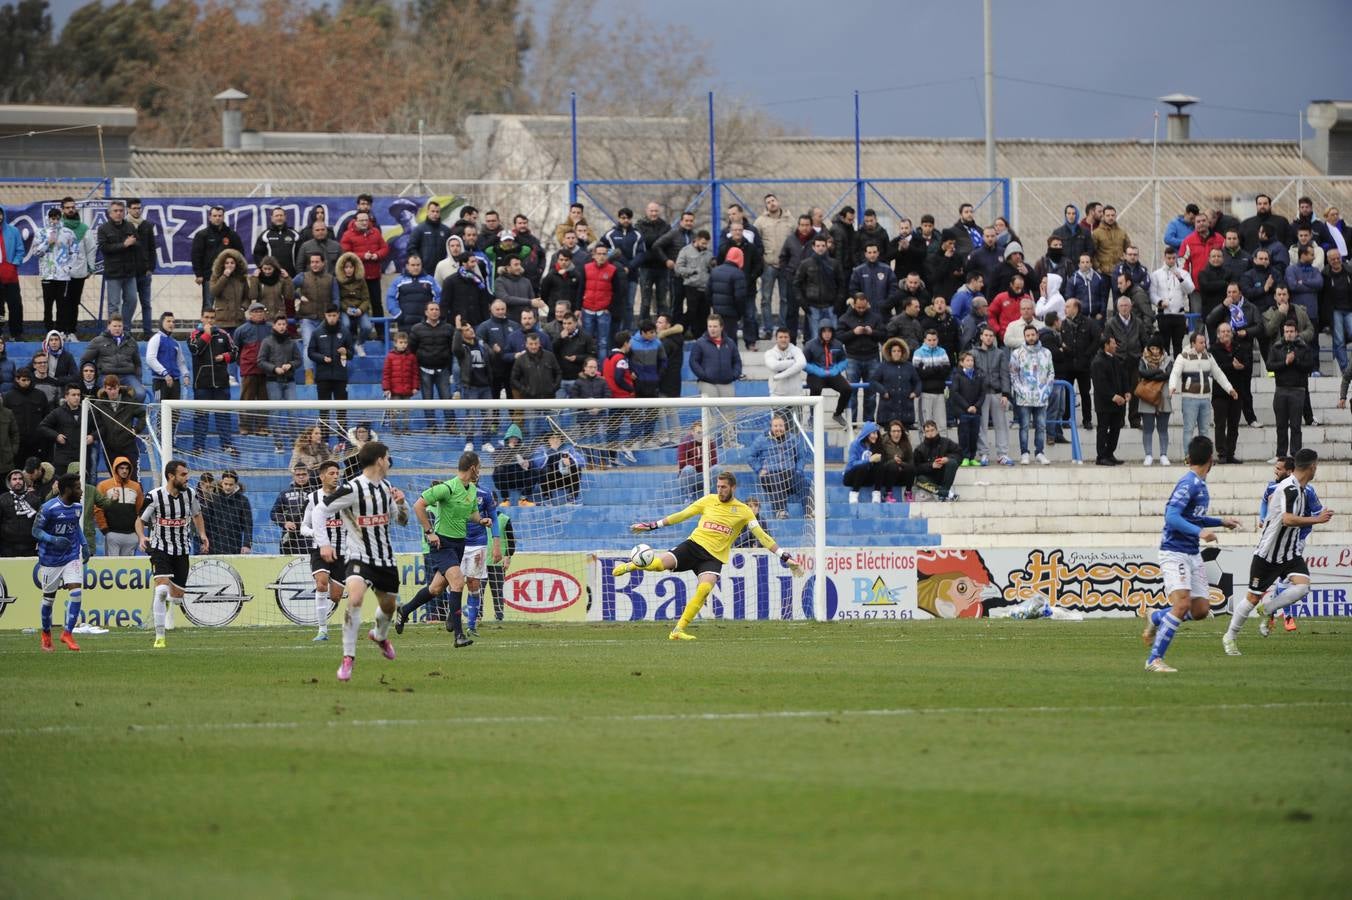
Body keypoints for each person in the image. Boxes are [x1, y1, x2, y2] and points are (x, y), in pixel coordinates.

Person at [613, 470, 800, 641]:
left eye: (724, 487)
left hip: (713, 558)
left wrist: (785, 557)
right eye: (718, 486)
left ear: (733, 488)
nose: (720, 490)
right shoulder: (708, 500)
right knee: (658, 565)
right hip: (693, 546)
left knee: (703, 590)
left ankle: (678, 630)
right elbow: (682, 515)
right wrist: (651, 526)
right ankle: (631, 565)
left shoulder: (744, 511)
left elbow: (762, 536)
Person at [1140, 436, 1241, 672]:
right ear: (1211, 459)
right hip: (1175, 552)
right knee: (1182, 604)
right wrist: (1200, 532)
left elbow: (1192, 516)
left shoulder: (1199, 485)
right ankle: (1154, 660)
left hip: (1192, 554)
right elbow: (1172, 517)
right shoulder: (1189, 484)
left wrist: (1221, 522)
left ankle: (1156, 618)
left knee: (1200, 610)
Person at [1223, 448, 1333, 656]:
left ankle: (1269, 608)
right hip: (1268, 554)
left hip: (1289, 553)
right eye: (1316, 465)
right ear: (1311, 467)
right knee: (1251, 599)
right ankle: (1230, 636)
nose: (1316, 469)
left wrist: (1319, 515)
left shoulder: (1302, 489)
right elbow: (1287, 519)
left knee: (1302, 587)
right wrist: (1316, 520)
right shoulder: (1289, 488)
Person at [316, 441, 410, 680]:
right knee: (355, 598)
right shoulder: (353, 488)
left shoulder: (387, 488)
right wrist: (324, 543)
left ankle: (379, 636)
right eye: (387, 458)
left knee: (389, 606)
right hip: (359, 556)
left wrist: (401, 503)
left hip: (385, 559)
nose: (389, 462)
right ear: (379, 460)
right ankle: (348, 658)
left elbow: (401, 521)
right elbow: (320, 510)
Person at [396, 461, 481, 643]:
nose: (479, 471)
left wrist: (481, 520)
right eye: (479, 466)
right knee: (458, 582)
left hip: (459, 544)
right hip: (442, 544)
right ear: (472, 467)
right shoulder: (447, 487)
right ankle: (458, 634)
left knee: (435, 589)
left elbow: (472, 514)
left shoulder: (472, 489)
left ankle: (404, 610)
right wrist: (429, 532)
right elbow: (418, 505)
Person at [137, 460, 208, 649]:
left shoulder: (190, 495)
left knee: (176, 598)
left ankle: (168, 600)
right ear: (171, 476)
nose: (187, 478)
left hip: (182, 550)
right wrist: (142, 537)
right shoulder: (154, 496)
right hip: (160, 548)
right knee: (160, 591)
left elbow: (197, 515)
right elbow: (140, 520)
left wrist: (202, 534)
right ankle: (160, 637)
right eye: (183, 474)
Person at [32, 472, 89, 652]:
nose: (81, 491)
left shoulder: (77, 507)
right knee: (48, 601)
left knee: (77, 592)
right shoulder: (48, 508)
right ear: (67, 490)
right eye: (78, 488)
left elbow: (75, 527)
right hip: (50, 559)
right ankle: (46, 634)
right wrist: (53, 539)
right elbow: (36, 531)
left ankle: (68, 633)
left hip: (71, 556)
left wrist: (84, 544)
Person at [300, 460, 345, 642]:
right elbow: (303, 526)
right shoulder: (313, 498)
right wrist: (317, 535)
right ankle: (322, 630)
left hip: (342, 551)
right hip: (319, 549)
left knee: (335, 597)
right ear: (322, 476)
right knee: (321, 584)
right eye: (332, 473)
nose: (336, 477)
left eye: (337, 473)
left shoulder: (346, 496)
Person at [1169, 330, 1236, 445]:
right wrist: (1172, 386)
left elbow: (1218, 374)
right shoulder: (1183, 357)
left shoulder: (1208, 356)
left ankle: (1204, 457)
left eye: (1204, 342)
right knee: (1188, 430)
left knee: (1204, 430)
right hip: (1189, 399)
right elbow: (1175, 373)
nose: (1204, 345)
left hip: (1205, 399)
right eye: (1201, 343)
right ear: (1193, 344)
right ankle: (1188, 457)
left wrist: (1229, 388)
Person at [187, 308, 238, 455]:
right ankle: (198, 447)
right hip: (202, 384)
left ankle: (226, 445)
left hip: (221, 383)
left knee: (223, 416)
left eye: (212, 318)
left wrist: (225, 357)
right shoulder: (194, 335)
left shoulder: (223, 334)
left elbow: (235, 352)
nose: (209, 320)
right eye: (207, 317)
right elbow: (195, 350)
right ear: (201, 318)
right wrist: (207, 335)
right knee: (201, 417)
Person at [458, 479, 502, 635]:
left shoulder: (485, 494)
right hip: (457, 542)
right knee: (454, 584)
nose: (475, 474)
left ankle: (471, 625)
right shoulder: (455, 490)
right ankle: (454, 621)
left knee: (474, 583)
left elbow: (494, 518)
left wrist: (496, 544)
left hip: (478, 543)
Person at [1267, 319, 1315, 459]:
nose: (1289, 334)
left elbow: (1309, 366)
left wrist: (1296, 361)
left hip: (1298, 390)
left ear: (1296, 332)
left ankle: (1296, 455)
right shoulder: (1276, 347)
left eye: (1291, 332)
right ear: (1283, 332)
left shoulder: (1303, 348)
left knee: (1296, 426)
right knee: (1281, 425)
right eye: (1286, 331)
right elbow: (1270, 366)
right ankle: (1281, 454)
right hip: (1280, 389)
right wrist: (1285, 362)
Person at [1008, 324, 1054, 465]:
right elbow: (1013, 374)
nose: (1031, 337)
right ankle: (1024, 453)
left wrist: (1046, 391)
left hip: (1041, 397)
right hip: (1024, 398)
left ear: (1037, 335)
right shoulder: (1017, 353)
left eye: (1033, 335)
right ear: (1024, 336)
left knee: (1040, 426)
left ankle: (1039, 452)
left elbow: (1051, 373)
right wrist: (1022, 391)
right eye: (1028, 335)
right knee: (1024, 426)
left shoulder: (1047, 352)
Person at [25, 208, 74, 341]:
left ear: (61, 218)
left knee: (62, 305)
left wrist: (68, 267)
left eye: (57, 218)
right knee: (48, 305)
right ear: (48, 218)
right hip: (47, 275)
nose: (55, 221)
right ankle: (49, 331)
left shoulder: (68, 233)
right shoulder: (41, 233)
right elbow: (35, 252)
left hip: (62, 276)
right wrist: (48, 242)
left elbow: (74, 252)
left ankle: (61, 331)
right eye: (52, 218)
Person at [338, 211, 389, 330]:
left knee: (377, 304)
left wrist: (377, 255)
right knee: (355, 304)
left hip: (374, 275)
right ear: (355, 221)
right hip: (357, 278)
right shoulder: (347, 235)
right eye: (361, 220)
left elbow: (385, 248)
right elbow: (345, 254)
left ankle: (380, 331)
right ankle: (354, 333)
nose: (364, 223)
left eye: (366, 220)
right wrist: (362, 256)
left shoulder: (375, 232)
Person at [971, 326, 1013, 466]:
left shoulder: (1000, 353)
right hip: (980, 394)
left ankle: (1002, 454)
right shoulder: (973, 353)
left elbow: (1004, 374)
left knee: (1001, 424)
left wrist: (1006, 394)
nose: (988, 338)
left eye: (991, 335)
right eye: (986, 335)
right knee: (981, 426)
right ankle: (983, 453)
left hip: (997, 392)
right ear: (981, 337)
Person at [258, 314, 301, 450]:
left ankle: (296, 444)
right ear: (274, 325)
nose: (282, 327)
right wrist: (274, 368)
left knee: (293, 413)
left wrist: (291, 365)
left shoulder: (291, 342)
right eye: (279, 324)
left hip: (290, 381)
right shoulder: (267, 341)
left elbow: (298, 360)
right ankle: (278, 444)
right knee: (275, 413)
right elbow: (260, 361)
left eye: (284, 324)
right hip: (273, 381)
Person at [307, 306, 353, 433]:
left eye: (334, 315)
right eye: (329, 315)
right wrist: (322, 358)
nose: (332, 318)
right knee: (324, 411)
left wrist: (345, 352)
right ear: (325, 315)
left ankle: (342, 438)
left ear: (338, 315)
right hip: (323, 377)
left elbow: (351, 354)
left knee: (342, 410)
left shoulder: (345, 332)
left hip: (340, 377)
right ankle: (324, 438)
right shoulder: (317, 332)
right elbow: (310, 352)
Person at [80, 314, 144, 401]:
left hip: (127, 375)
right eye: (114, 326)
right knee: (107, 393)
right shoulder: (98, 341)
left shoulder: (131, 342)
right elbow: (85, 360)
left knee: (140, 394)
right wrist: (93, 376)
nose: (117, 328)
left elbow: (138, 364)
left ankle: (126, 413)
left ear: (123, 326)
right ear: (109, 326)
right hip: (105, 375)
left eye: (119, 326)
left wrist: (139, 381)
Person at [190, 205, 243, 309]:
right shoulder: (202, 235)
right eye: (215, 215)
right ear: (210, 217)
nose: (217, 218)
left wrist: (238, 273)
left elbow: (240, 255)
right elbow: (196, 255)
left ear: (223, 217)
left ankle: (228, 325)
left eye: (220, 216)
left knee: (229, 303)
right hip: (209, 276)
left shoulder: (232, 235)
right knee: (208, 305)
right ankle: (206, 325)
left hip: (229, 277)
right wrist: (198, 274)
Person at [1091, 334, 1129, 465]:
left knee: (1115, 428)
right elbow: (1100, 384)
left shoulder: (1116, 360)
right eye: (1113, 343)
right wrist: (1113, 396)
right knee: (1103, 428)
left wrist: (1126, 391)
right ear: (1106, 345)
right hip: (1104, 403)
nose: (1115, 345)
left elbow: (1123, 377)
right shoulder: (1098, 362)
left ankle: (1109, 453)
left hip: (1118, 403)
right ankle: (1101, 456)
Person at [803, 323, 852, 427]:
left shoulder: (838, 344)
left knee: (847, 389)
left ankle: (838, 414)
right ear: (820, 332)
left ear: (832, 332)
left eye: (829, 331)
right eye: (824, 331)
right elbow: (804, 363)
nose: (827, 334)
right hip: (816, 374)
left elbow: (844, 361)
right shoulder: (810, 344)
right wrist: (818, 371)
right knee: (815, 388)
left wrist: (836, 369)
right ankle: (812, 416)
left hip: (832, 373)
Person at [1149, 247, 1194, 356]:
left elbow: (1190, 289)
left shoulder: (1183, 273)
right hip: (1163, 314)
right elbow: (1152, 293)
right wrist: (1159, 302)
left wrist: (1180, 278)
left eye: (1173, 258)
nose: (1171, 260)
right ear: (1164, 257)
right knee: (1164, 345)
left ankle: (1178, 369)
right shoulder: (1156, 274)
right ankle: (1166, 369)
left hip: (1179, 314)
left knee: (1178, 345)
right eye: (1169, 258)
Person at [94, 455, 142, 556]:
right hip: (112, 533)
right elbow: (98, 509)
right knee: (112, 566)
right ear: (115, 468)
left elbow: (140, 511)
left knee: (129, 568)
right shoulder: (103, 485)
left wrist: (138, 532)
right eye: (121, 468)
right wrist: (105, 529)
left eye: (127, 468)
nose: (124, 471)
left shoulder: (136, 486)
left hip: (132, 535)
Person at [38, 384, 90, 478]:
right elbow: (42, 427)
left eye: (78, 395)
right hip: (63, 457)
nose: (77, 397)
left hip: (82, 456)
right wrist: (56, 436)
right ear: (66, 397)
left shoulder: (87, 412)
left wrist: (92, 436)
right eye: (73, 395)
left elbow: (100, 427)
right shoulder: (58, 412)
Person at [843, 421, 901, 504]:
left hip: (866, 478)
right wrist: (869, 460)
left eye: (877, 434)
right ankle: (854, 493)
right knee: (862, 466)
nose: (876, 436)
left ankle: (877, 493)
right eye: (873, 434)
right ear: (867, 434)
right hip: (851, 477)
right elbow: (852, 464)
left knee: (880, 464)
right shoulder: (855, 444)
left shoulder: (876, 445)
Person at [871, 337, 920, 432]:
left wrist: (915, 392)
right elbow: (873, 381)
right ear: (890, 352)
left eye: (899, 351)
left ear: (903, 352)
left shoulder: (909, 366)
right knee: (889, 439)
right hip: (888, 407)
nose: (896, 353)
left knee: (905, 438)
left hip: (905, 407)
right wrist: (883, 391)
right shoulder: (883, 366)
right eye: (894, 351)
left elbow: (917, 382)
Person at [1137, 339, 1173, 466]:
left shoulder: (1168, 360)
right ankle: (1148, 455)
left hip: (1163, 397)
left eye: (1157, 348)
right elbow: (1142, 372)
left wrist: (1151, 375)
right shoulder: (1143, 359)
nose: (1155, 351)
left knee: (1163, 428)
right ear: (1148, 349)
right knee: (1148, 428)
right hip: (1147, 396)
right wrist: (1158, 371)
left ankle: (1163, 454)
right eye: (1152, 348)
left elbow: (1168, 374)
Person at [689, 315, 741, 399]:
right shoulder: (700, 343)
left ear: (721, 327)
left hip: (727, 383)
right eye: (710, 326)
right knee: (709, 411)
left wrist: (733, 375)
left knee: (729, 412)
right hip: (707, 383)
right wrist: (703, 376)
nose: (712, 329)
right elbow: (693, 362)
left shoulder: (730, 343)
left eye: (715, 326)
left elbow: (737, 361)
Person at [203, 469, 251, 555]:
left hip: (235, 545)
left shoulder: (243, 501)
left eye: (231, 484)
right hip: (213, 545)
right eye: (226, 484)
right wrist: (203, 542)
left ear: (236, 484)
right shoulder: (212, 499)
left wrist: (247, 545)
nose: (228, 487)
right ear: (222, 483)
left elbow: (248, 524)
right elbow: (206, 522)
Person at [913, 419, 963, 500]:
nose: (930, 433)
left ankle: (943, 493)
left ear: (936, 430)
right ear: (924, 433)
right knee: (919, 480)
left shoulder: (946, 442)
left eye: (932, 430)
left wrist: (947, 459)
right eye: (927, 431)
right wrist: (931, 465)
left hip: (943, 475)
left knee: (952, 462)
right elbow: (915, 468)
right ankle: (946, 494)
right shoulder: (919, 449)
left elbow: (959, 454)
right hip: (929, 478)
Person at [950, 351, 985, 466]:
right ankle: (964, 457)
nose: (970, 363)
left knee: (974, 435)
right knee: (964, 435)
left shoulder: (978, 375)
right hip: (963, 412)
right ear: (961, 362)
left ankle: (972, 457)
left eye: (972, 361)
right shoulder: (957, 376)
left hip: (975, 411)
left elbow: (982, 393)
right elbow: (955, 393)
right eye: (967, 361)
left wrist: (976, 406)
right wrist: (967, 406)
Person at [533, 431, 586, 504]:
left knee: (576, 468)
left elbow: (582, 462)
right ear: (548, 439)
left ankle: (572, 497)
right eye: (553, 437)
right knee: (544, 470)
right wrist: (550, 452)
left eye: (558, 437)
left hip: (565, 479)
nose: (555, 440)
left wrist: (571, 461)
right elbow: (536, 463)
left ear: (561, 439)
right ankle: (547, 498)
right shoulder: (542, 449)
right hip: (550, 480)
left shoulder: (568, 448)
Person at [271, 463, 313, 555]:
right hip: (290, 537)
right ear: (293, 476)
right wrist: (285, 523)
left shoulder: (316, 492)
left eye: (304, 474)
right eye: (298, 475)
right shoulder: (285, 493)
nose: (301, 477)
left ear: (308, 475)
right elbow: (274, 513)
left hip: (311, 536)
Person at [335, 252, 373, 351]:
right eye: (346, 267)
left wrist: (361, 310)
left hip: (359, 309)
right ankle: (347, 345)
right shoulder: (338, 281)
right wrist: (345, 309)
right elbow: (337, 298)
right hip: (345, 309)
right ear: (342, 268)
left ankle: (359, 344)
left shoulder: (361, 280)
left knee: (367, 327)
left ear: (355, 268)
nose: (349, 270)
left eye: (351, 267)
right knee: (346, 325)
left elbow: (366, 298)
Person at [0, 468, 39, 556]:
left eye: (20, 478)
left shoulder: (34, 499)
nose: (18, 481)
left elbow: (39, 523)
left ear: (24, 481)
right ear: (9, 482)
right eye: (14, 479)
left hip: (30, 547)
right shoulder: (2, 499)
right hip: (7, 548)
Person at [208, 247, 249, 330]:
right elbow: (214, 292)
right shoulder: (216, 276)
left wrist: (243, 308)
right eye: (227, 263)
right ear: (222, 264)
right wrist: (224, 277)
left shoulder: (241, 278)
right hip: (222, 321)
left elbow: (247, 297)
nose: (229, 265)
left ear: (237, 264)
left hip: (238, 321)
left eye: (232, 263)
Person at [676, 421, 717, 500]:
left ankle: (714, 497)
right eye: (699, 432)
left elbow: (714, 462)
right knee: (688, 469)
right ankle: (688, 497)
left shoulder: (710, 442)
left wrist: (694, 463)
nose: (701, 435)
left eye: (703, 432)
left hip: (705, 476)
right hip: (689, 478)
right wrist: (704, 463)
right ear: (692, 432)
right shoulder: (684, 443)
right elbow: (682, 464)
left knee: (717, 468)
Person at [876, 420, 916, 501]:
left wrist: (901, 464)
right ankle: (888, 493)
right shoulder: (883, 442)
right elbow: (881, 462)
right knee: (893, 465)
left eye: (898, 431)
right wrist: (893, 461)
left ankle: (908, 492)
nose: (896, 434)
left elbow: (910, 460)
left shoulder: (906, 442)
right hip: (887, 474)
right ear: (889, 432)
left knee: (912, 467)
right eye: (894, 431)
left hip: (902, 473)